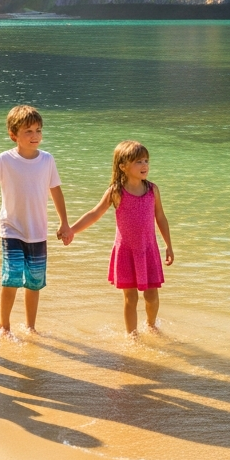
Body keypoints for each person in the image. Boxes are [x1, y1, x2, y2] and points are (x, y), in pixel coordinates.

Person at [0, 105, 72, 335]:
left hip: (37, 231)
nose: (35, 136)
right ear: (13, 135)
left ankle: (30, 327)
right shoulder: (5, 160)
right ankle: (4, 326)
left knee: (34, 281)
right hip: (12, 229)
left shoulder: (47, 160)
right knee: (11, 277)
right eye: (28, 131)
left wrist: (64, 222)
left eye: (38, 130)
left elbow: (56, 191)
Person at [69, 140, 173, 335]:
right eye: (138, 162)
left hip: (148, 250)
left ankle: (151, 326)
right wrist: (72, 230)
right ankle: (132, 336)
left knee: (152, 295)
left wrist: (168, 245)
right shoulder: (116, 192)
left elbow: (160, 217)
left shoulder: (152, 190)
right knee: (130, 298)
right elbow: (94, 214)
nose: (144, 166)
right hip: (126, 252)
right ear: (123, 166)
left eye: (146, 161)